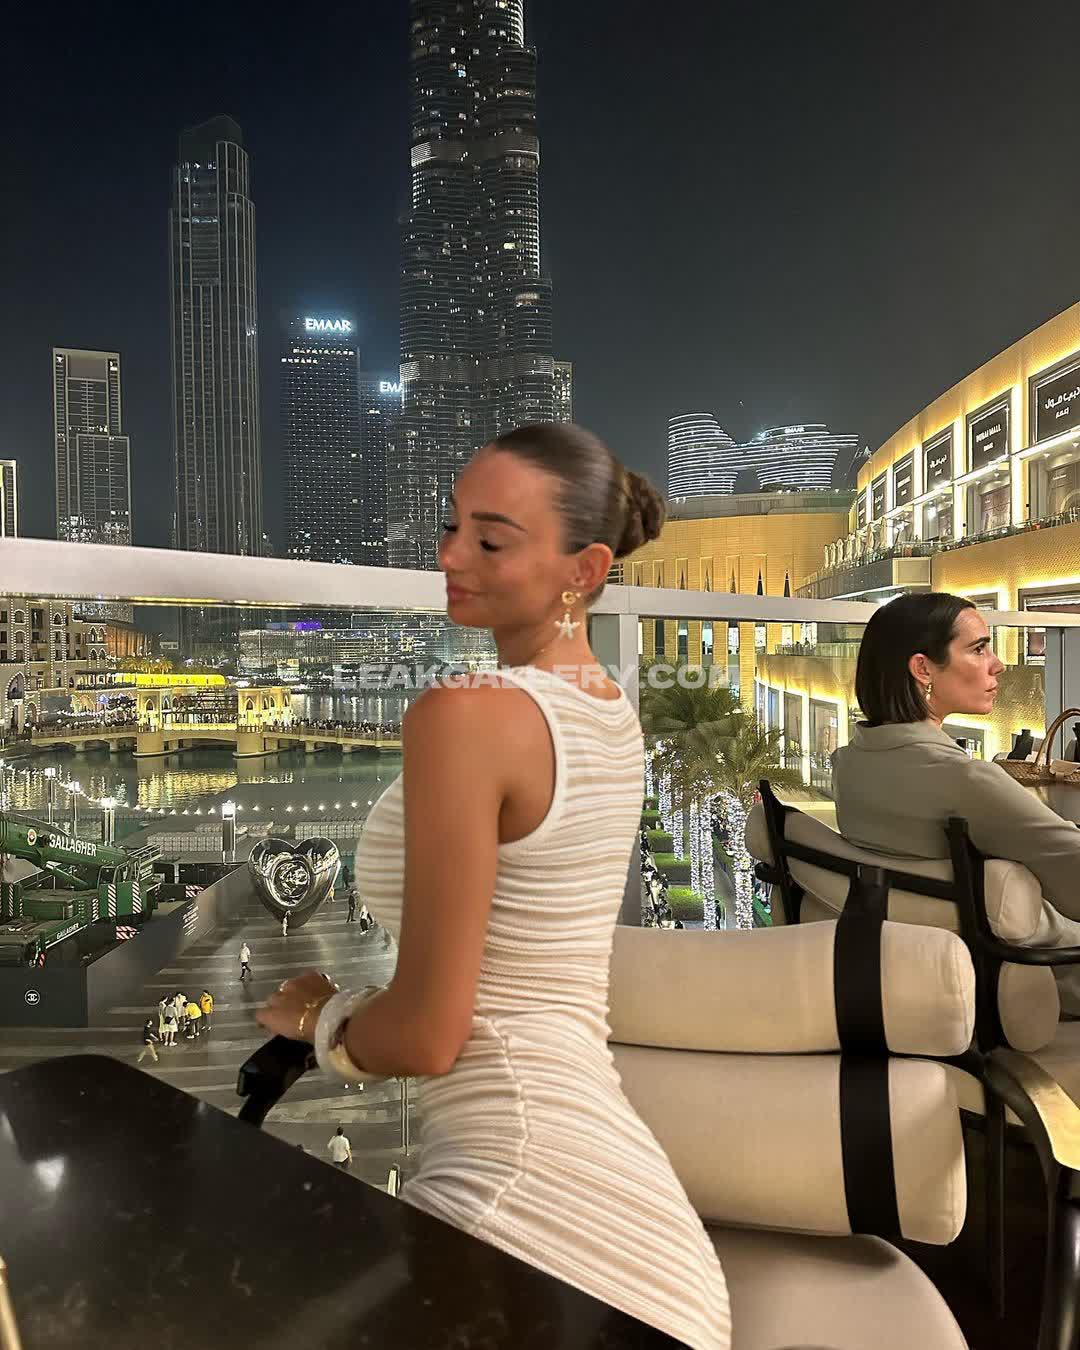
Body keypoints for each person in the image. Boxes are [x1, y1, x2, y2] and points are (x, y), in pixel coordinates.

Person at [258, 425, 729, 1349]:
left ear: (584, 569)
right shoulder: (609, 709)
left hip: (523, 1208)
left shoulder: (466, 717)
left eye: (490, 540)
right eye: (451, 527)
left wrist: (322, 1015)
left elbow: (431, 1035)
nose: (449, 556)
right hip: (641, 1229)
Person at [832, 591, 1080, 1012]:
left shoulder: (849, 765)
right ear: (923, 668)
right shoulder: (966, 781)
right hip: (1052, 972)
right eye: (979, 649)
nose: (998, 664)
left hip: (932, 971)